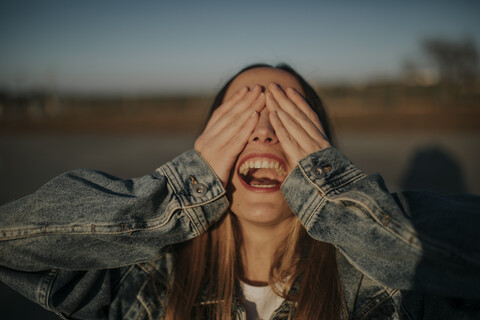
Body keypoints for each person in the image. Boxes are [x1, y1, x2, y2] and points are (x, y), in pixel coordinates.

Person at [0, 63, 479, 320]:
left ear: (322, 150)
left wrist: (338, 200)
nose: (265, 131)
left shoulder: (386, 283)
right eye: (241, 116)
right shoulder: (142, 280)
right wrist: (180, 193)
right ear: (207, 146)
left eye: (290, 116)